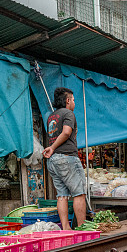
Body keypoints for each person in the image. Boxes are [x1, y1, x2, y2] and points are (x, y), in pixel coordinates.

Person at [43, 87, 86, 230]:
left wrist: (52, 149)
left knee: (62, 195)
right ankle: (81, 228)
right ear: (68, 100)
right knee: (79, 193)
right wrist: (53, 147)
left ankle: (66, 229)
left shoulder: (52, 116)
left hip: (53, 161)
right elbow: (67, 132)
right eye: (73, 100)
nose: (74, 102)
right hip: (67, 158)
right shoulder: (69, 113)